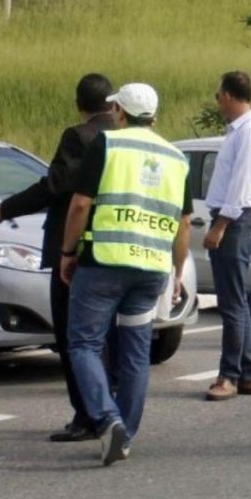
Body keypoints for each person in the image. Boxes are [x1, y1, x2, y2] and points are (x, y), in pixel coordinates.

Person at [59, 82, 192, 466]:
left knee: (84, 342)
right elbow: (183, 224)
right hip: (150, 268)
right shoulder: (176, 157)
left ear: (118, 111)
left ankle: (107, 419)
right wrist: (177, 271)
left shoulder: (108, 145)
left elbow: (81, 204)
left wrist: (68, 252)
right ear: (154, 117)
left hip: (104, 261)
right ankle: (125, 435)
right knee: (135, 351)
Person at [0, 73, 116, 443]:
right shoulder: (126, 137)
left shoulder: (80, 136)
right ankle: (111, 407)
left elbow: (56, 187)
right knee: (108, 337)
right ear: (113, 103)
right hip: (114, 246)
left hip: (75, 251)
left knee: (73, 336)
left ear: (80, 105)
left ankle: (89, 415)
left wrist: (5, 209)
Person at [203, 71, 251, 401]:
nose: (217, 102)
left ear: (229, 95)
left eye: (219, 95)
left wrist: (219, 227)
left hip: (237, 220)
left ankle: (229, 374)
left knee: (231, 304)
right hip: (235, 219)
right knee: (237, 301)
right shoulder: (242, 131)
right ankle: (247, 371)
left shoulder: (250, 133)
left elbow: (241, 186)